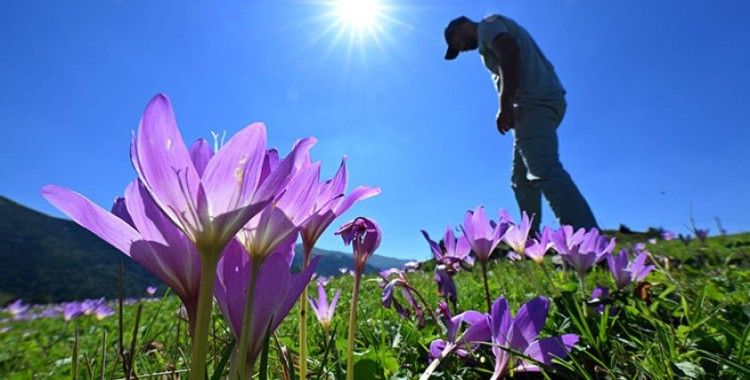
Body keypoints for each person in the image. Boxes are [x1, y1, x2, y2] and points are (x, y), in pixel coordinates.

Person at [443, 14, 598, 234]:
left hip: (534, 102)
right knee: (521, 180)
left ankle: (587, 245)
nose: (461, 49)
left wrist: (505, 104)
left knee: (544, 170)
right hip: (533, 105)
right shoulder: (488, 36)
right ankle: (531, 242)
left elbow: (509, 52)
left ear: (460, 27)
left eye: (456, 44)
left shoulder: (487, 27)